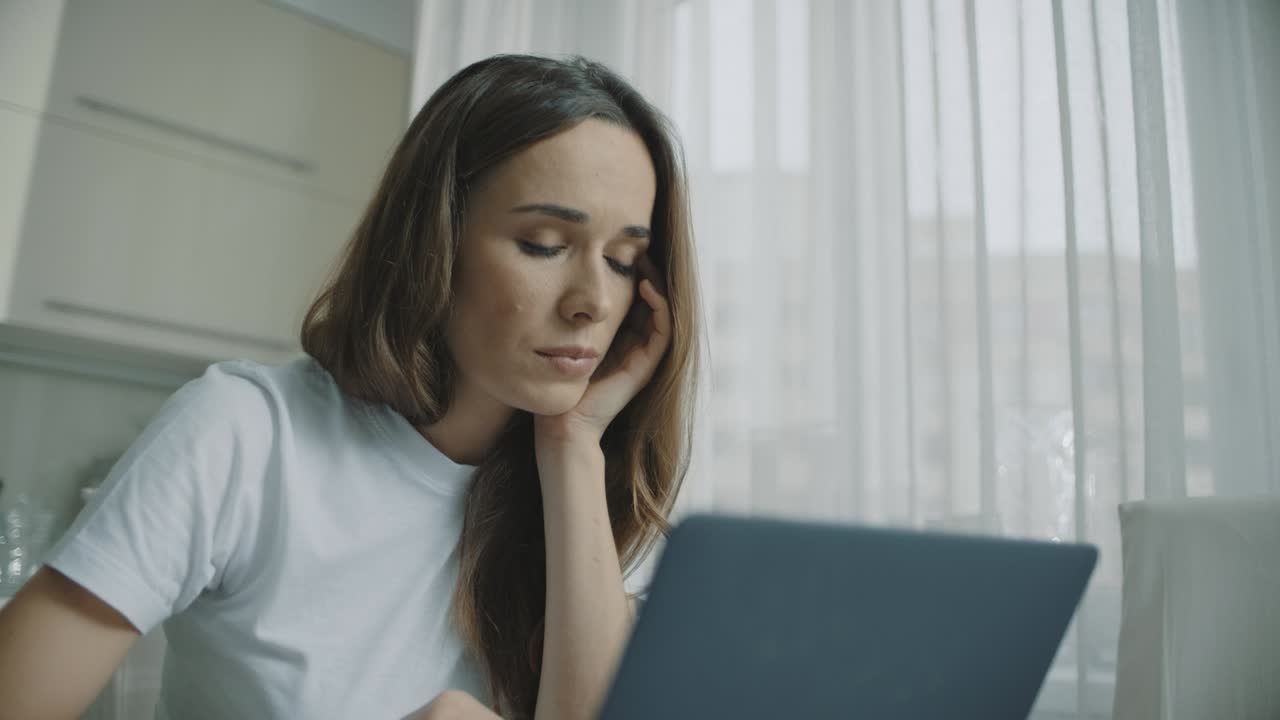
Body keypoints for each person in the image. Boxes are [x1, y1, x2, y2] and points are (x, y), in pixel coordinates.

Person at [0, 54, 700, 720]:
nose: (595, 303)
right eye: (544, 244)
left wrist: (573, 444)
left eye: (622, 260)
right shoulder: (245, 435)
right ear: (437, 239)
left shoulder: (565, 495)